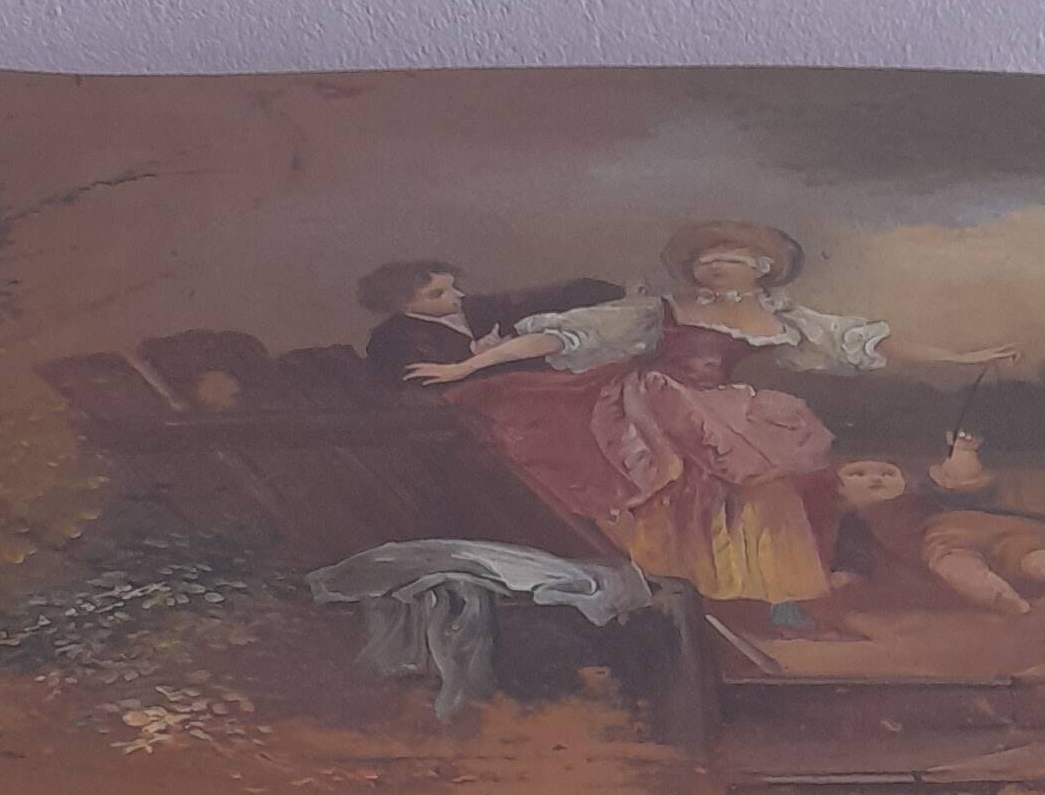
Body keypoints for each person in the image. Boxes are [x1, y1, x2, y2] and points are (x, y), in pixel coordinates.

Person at [436, 221, 1011, 623]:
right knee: (675, 490)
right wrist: (474, 362)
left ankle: (777, 595)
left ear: (760, 270)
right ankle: (677, 596)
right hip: (658, 404)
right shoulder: (663, 311)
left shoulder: (781, 317)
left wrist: (961, 359)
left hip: (729, 407)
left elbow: (869, 340)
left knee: (775, 484)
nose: (710, 267)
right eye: (703, 262)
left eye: (725, 259)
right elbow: (571, 333)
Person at [831, 431, 1045, 616]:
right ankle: (1006, 600)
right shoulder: (854, 523)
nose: (875, 478)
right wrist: (848, 576)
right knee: (956, 564)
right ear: (841, 490)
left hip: (988, 533)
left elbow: (956, 480)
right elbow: (852, 557)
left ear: (905, 480)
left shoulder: (924, 495)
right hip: (942, 548)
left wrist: (963, 453)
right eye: (859, 474)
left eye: (886, 472)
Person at [354, 258, 615, 386]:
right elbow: (424, 384)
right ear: (404, 305)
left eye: (453, 287)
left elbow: (551, 295)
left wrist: (609, 292)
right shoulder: (392, 339)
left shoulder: (476, 307)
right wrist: (478, 356)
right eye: (438, 294)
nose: (458, 296)